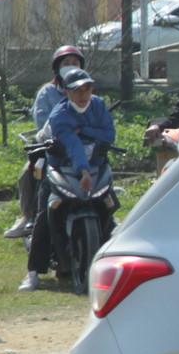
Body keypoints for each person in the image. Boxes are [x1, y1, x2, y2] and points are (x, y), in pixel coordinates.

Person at [19, 67, 116, 291]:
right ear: (66, 92)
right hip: (63, 167)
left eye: (87, 88)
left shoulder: (99, 105)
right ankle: (33, 272)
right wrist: (83, 171)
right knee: (45, 215)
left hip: (97, 168)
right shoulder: (59, 115)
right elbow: (73, 146)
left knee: (111, 205)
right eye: (77, 90)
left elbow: (109, 134)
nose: (83, 94)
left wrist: (83, 129)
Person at [6, 45, 84, 238]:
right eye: (66, 63)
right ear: (57, 68)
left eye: (75, 63)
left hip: (82, 146)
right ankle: (28, 215)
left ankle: (107, 209)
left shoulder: (88, 89)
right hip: (52, 146)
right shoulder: (47, 92)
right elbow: (43, 122)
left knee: (102, 166)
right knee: (29, 172)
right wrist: (68, 130)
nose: (71, 66)